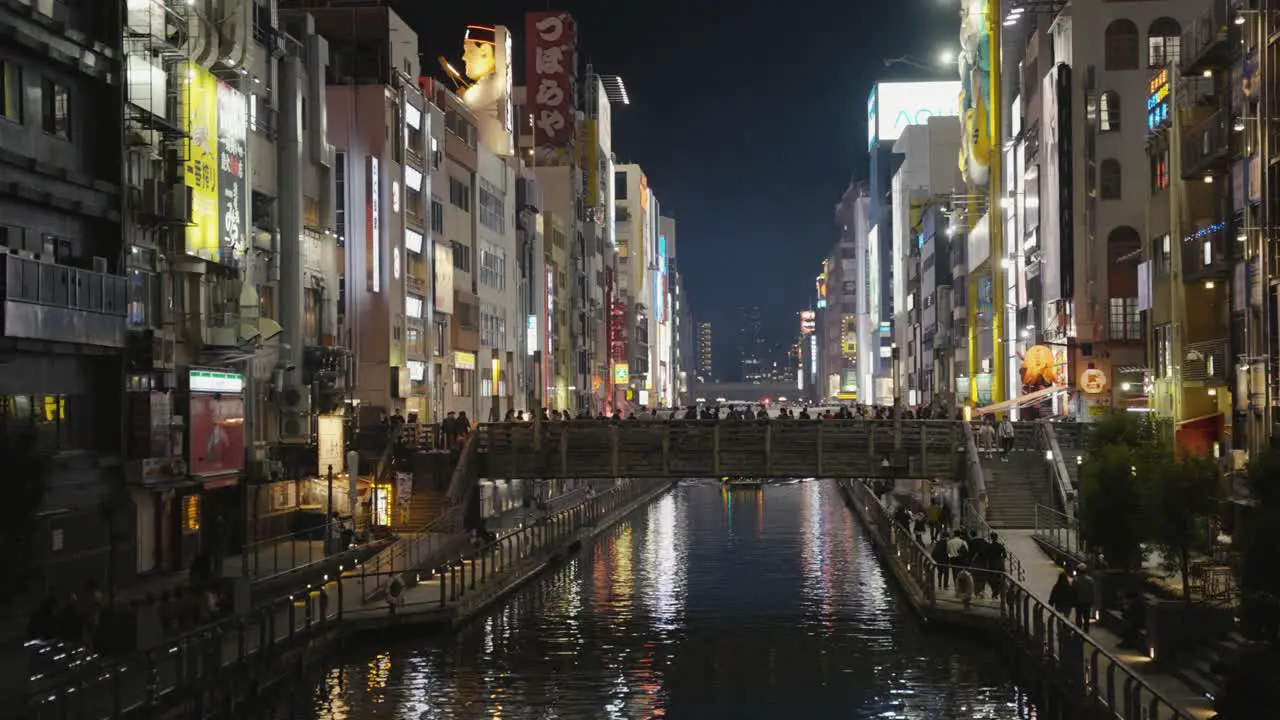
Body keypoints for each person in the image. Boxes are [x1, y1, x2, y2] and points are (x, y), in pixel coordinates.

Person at [1074, 563, 1096, 632]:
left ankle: (1078, 631)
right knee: (1086, 618)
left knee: (1078, 616)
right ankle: (1086, 631)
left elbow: (1074, 591)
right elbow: (1093, 592)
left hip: (1078, 601)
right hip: (1087, 602)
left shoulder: (1076, 580)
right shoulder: (1090, 580)